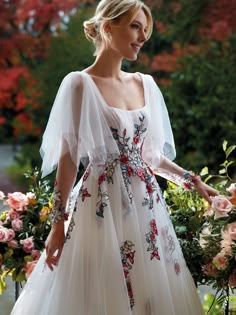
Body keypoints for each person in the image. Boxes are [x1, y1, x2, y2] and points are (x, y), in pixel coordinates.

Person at [11, 0, 218, 314]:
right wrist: (57, 226)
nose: (142, 37)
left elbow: (152, 157)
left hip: (146, 206)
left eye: (145, 30)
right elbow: (68, 162)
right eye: (135, 26)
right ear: (108, 27)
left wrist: (195, 182)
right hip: (99, 205)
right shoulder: (79, 84)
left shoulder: (144, 84)